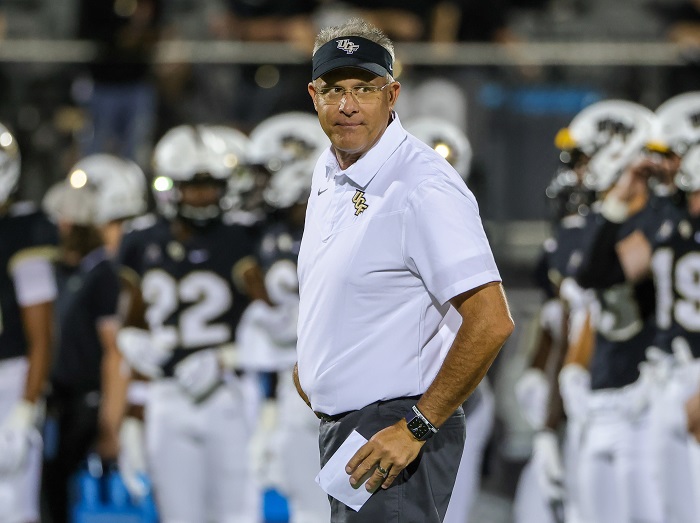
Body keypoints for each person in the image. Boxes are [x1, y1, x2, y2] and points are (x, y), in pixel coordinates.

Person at [294, 18, 514, 522]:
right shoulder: (330, 171)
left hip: (394, 428)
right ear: (313, 95)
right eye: (334, 89)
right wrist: (314, 360)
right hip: (348, 428)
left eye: (364, 89)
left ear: (393, 95)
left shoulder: (423, 185)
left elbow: (491, 320)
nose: (347, 104)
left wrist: (416, 426)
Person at [115, 124, 267, 523]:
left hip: (227, 392)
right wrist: (133, 408)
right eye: (193, 185)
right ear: (170, 186)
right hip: (166, 395)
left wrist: (226, 357)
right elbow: (131, 321)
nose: (203, 195)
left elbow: (276, 324)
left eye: (211, 184)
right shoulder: (141, 241)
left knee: (237, 514)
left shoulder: (241, 238)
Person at [40, 156, 147, 523]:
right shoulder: (81, 269)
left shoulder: (111, 273)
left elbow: (117, 353)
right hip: (78, 399)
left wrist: (110, 423)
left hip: (111, 404)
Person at [0, 123, 57, 523]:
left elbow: (41, 335)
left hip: (8, 377)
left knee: (13, 509)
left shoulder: (23, 230)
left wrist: (25, 406)